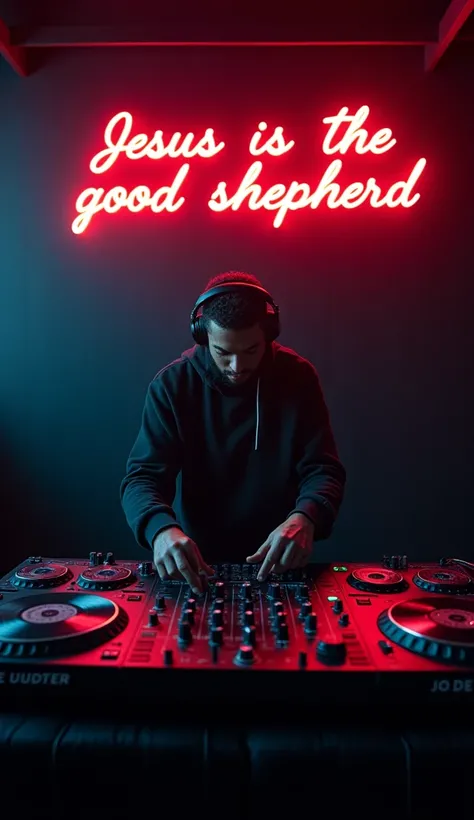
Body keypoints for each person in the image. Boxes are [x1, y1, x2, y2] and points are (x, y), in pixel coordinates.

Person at [120, 271, 346, 595]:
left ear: (268, 334)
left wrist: (306, 517)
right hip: (199, 568)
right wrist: (160, 530)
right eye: (223, 352)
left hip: (281, 565)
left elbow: (324, 469)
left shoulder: (298, 378)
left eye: (251, 350)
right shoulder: (172, 386)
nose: (237, 366)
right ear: (202, 336)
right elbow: (142, 478)